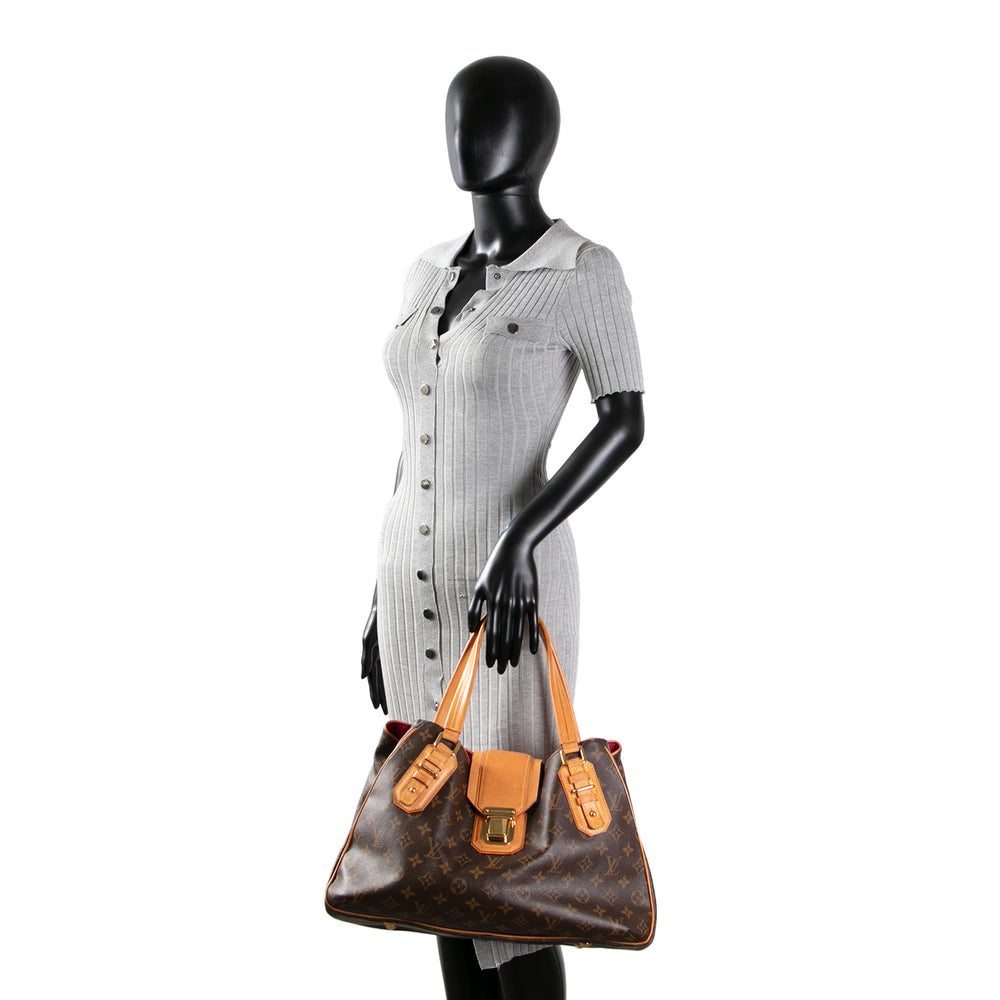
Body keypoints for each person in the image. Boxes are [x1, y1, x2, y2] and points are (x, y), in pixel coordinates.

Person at [359, 55, 646, 999]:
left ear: (537, 139)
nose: (465, 138)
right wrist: (376, 599)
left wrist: (523, 535)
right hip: (415, 587)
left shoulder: (581, 272)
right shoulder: (425, 270)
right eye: (456, 118)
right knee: (434, 854)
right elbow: (418, 430)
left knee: (507, 848)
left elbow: (623, 420)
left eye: (487, 119)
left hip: (510, 598)